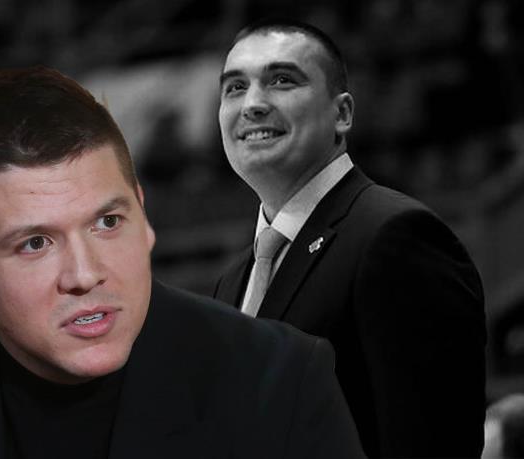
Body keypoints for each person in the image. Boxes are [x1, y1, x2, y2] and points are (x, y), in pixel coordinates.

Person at [0, 66, 364, 458]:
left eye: (108, 222)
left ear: (143, 214)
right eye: (35, 243)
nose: (85, 275)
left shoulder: (278, 381)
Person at [214, 19, 486, 458]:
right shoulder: (230, 282)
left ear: (341, 114)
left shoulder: (396, 238)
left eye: (281, 80)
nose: (253, 104)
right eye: (235, 87)